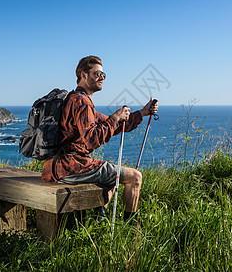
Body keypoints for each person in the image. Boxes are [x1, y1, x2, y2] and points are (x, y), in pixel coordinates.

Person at [41, 55, 158, 222]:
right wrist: (115, 118)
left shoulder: (75, 99)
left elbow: (111, 125)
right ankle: (130, 228)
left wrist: (142, 113)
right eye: (97, 74)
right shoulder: (82, 103)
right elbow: (92, 139)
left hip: (58, 167)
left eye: (104, 75)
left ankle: (97, 221)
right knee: (135, 177)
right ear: (83, 75)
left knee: (110, 177)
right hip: (72, 167)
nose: (102, 78)